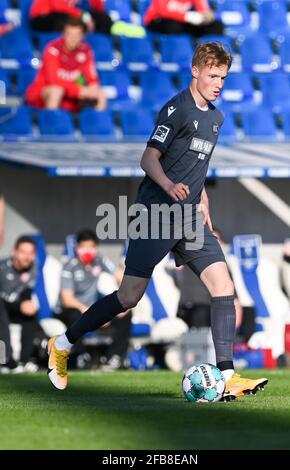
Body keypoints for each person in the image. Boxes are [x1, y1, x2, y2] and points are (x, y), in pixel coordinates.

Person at [47, 42, 268, 400]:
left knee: (223, 286)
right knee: (128, 296)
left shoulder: (216, 117)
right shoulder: (176, 110)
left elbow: (199, 167)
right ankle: (63, 343)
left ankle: (227, 374)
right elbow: (148, 159)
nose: (218, 83)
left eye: (223, 77)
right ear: (195, 71)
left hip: (190, 218)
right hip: (155, 216)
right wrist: (168, 184)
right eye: (213, 75)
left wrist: (204, 200)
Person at [58, 229, 131, 369]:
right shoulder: (69, 266)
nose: (87, 250)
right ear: (77, 247)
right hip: (71, 310)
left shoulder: (99, 260)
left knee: (125, 313)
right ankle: (81, 356)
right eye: (84, 247)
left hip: (89, 310)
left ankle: (114, 358)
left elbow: (119, 276)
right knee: (74, 314)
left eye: (91, 247)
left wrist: (122, 302)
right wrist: (91, 313)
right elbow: (67, 299)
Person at [26, 17, 107, 112]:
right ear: (63, 34)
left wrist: (93, 86)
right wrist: (79, 91)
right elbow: (54, 81)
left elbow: (90, 77)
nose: (73, 39)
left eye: (77, 35)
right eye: (70, 34)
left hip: (71, 94)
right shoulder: (53, 49)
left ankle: (97, 124)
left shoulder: (85, 50)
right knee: (56, 91)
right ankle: (52, 122)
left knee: (99, 93)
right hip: (43, 92)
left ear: (82, 36)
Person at [0, 236, 39, 369]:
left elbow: (26, 292)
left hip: (13, 307)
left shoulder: (33, 269)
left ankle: (24, 361)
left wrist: (27, 304)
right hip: (1, 307)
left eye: (30, 253)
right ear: (14, 252)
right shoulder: (2, 267)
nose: (27, 257)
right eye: (23, 252)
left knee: (32, 313)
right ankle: (5, 360)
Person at [29, 0, 145, 37]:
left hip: (63, 15)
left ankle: (114, 28)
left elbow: (99, 8)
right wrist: (84, 16)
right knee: (71, 18)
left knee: (100, 17)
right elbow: (58, 6)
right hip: (42, 19)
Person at [144, 0, 223, 37]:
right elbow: (162, 11)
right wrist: (186, 16)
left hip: (182, 22)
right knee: (173, 26)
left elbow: (203, 10)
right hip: (158, 21)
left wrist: (206, 17)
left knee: (216, 26)